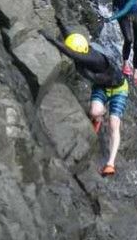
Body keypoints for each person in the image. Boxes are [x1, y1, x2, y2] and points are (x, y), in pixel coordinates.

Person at [40, 30, 128, 177]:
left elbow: (73, 54)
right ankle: (100, 116)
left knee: (114, 123)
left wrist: (52, 40)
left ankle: (110, 164)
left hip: (119, 89)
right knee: (94, 112)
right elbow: (72, 43)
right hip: (101, 87)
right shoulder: (84, 50)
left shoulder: (95, 58)